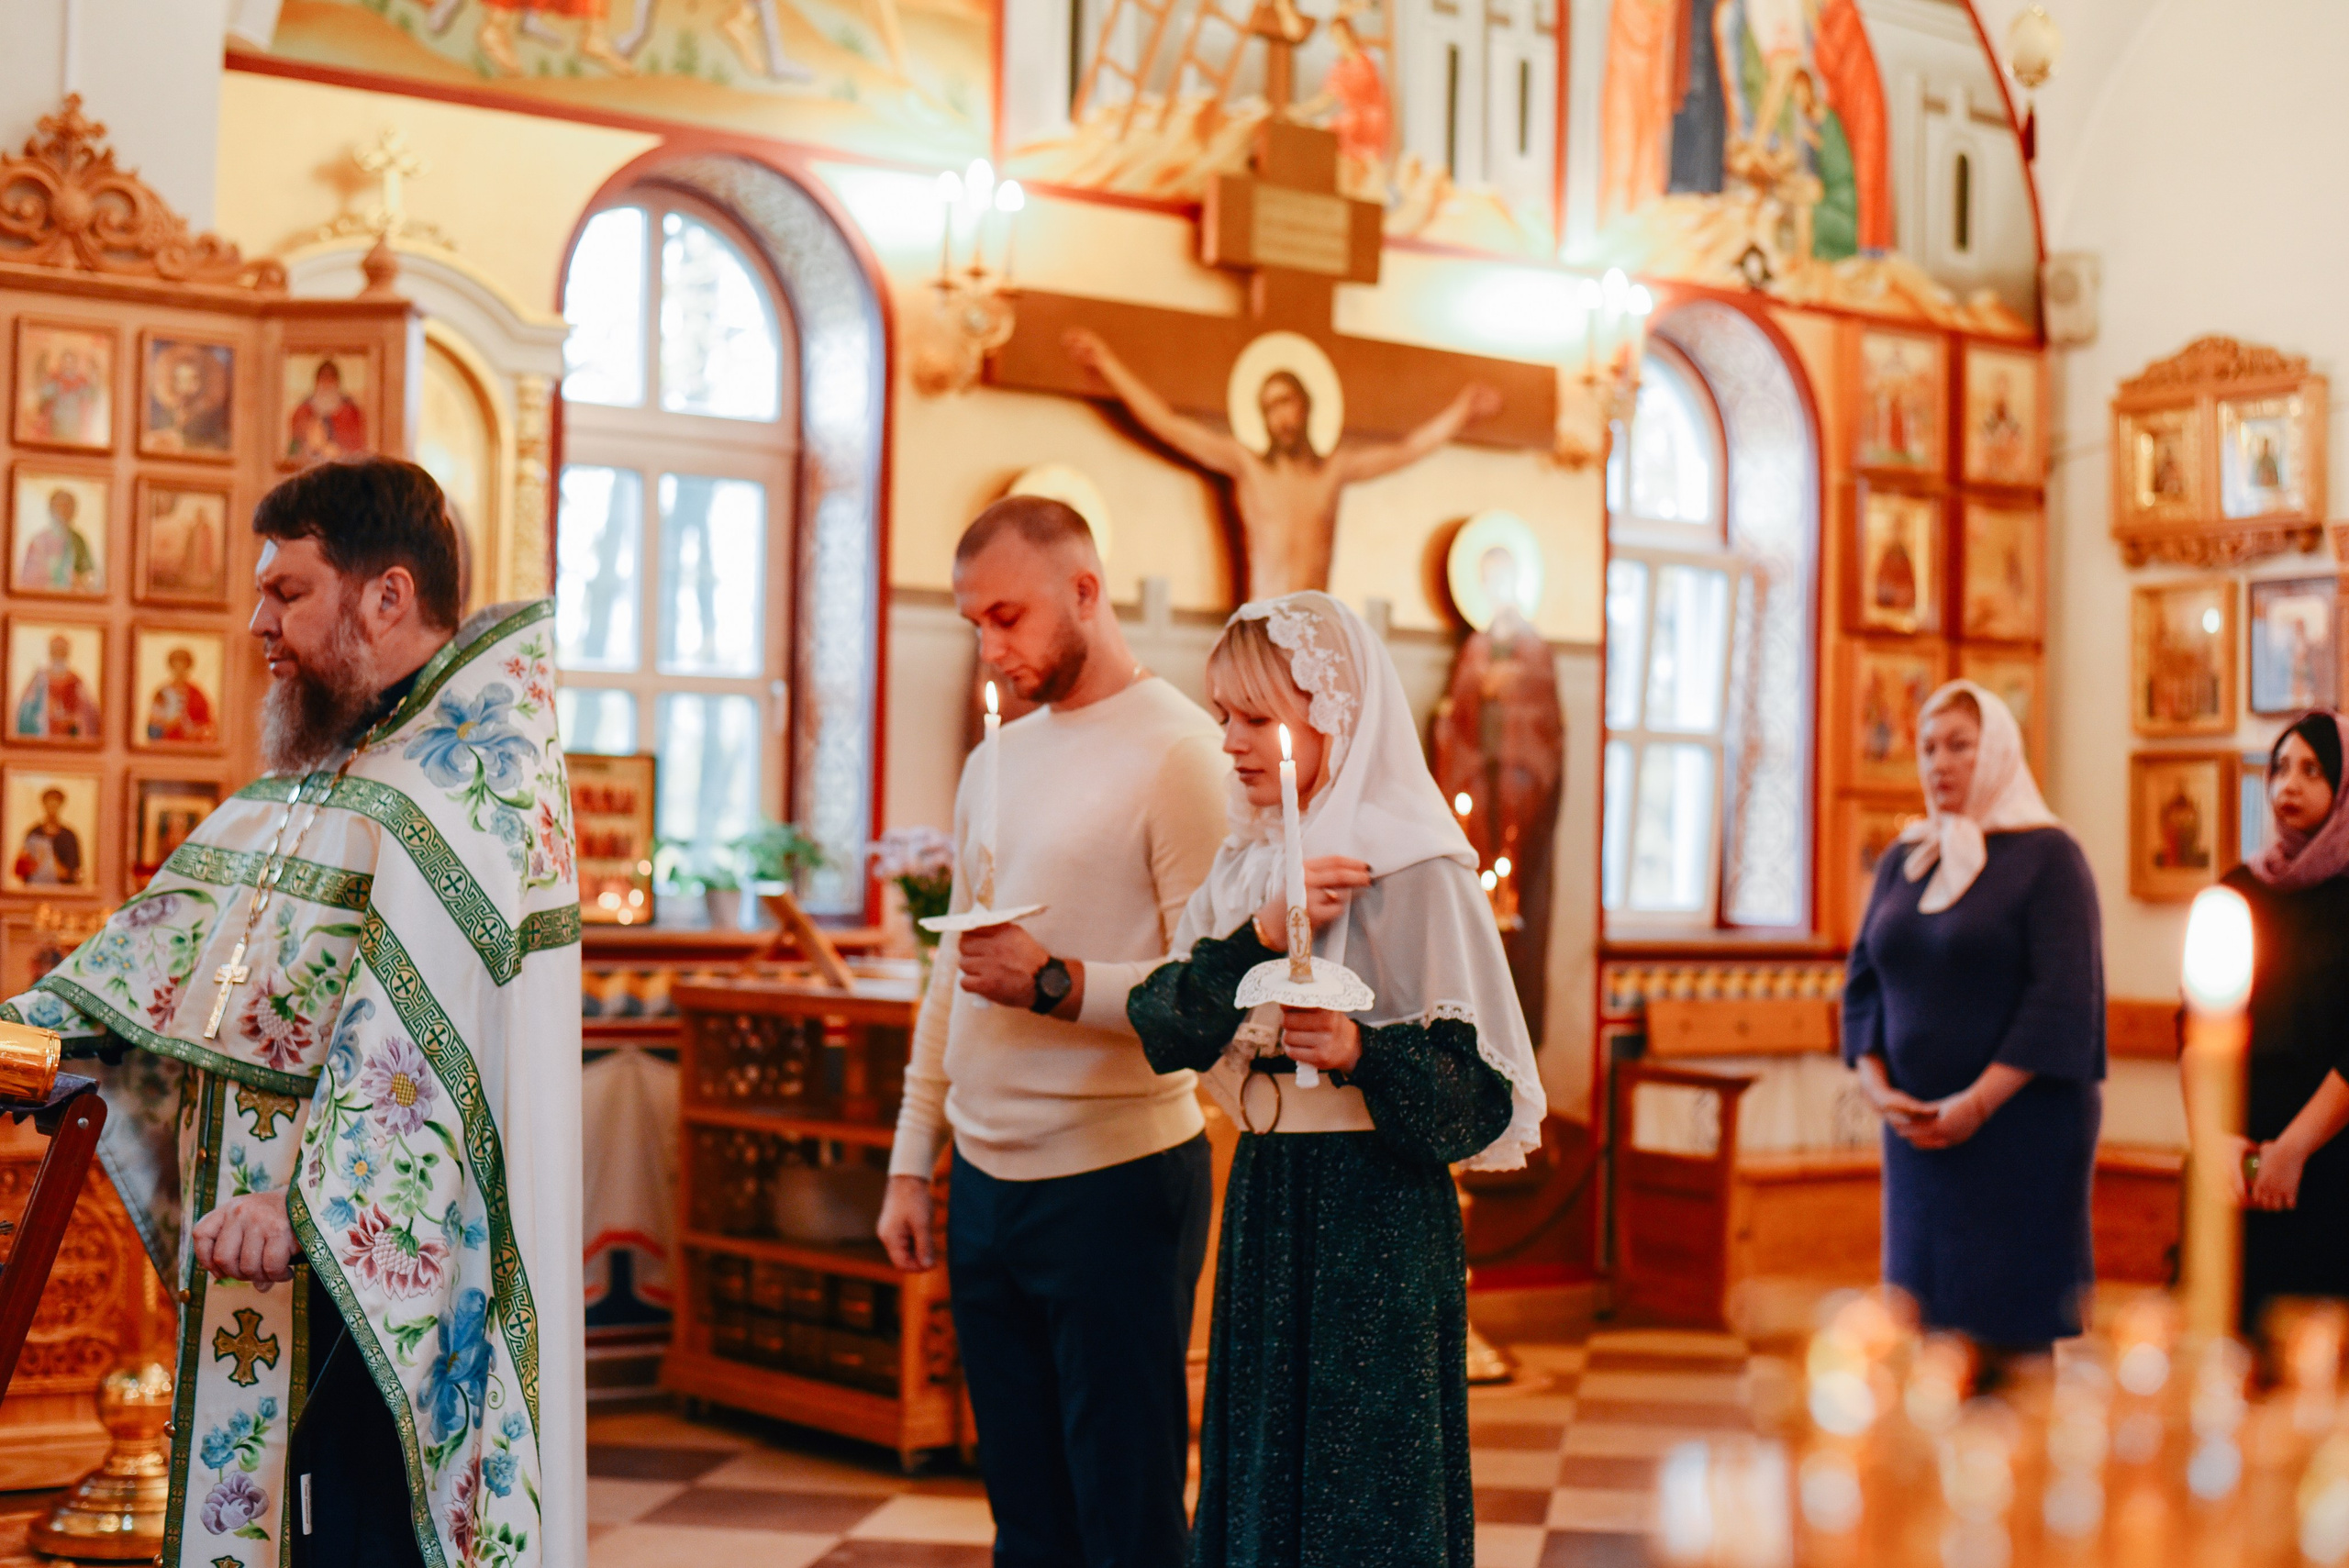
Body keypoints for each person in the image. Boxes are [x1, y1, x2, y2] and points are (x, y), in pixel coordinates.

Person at [3, 457, 584, 1568]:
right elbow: (158, 959)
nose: (257, 621)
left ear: (387, 595)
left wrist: (298, 1200)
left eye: (287, 591)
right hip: (264, 1269)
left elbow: (424, 1053)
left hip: (368, 1281)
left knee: (359, 1536)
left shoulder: (465, 791)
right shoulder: (329, 777)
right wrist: (19, 1028)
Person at [1121, 591, 1548, 1568]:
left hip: (1376, 1213)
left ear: (1336, 714)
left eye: (1255, 718)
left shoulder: (1417, 865)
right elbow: (1164, 1024)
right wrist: (1261, 934)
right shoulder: (1246, 864)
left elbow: (1478, 1096)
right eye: (1223, 714)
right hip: (1268, 1192)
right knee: (1262, 1467)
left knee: (1364, 1488)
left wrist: (1362, 1051)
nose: (1230, 741)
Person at [876, 495, 1230, 1568]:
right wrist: (911, 1160)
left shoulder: (1181, 753)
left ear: (1085, 591)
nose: (990, 648)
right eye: (973, 624)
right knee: (1026, 1520)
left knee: (1125, 1516)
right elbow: (952, 972)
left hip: (1116, 1178)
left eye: (1007, 616)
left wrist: (1057, 983)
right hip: (986, 1181)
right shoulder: (995, 759)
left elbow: (1208, 995)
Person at [1842, 681, 2104, 1354]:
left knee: (2007, 1338)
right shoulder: (1906, 858)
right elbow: (1864, 979)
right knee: (1921, 1328)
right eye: (1928, 748)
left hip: (2018, 1131)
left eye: (1960, 746)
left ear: (1998, 753)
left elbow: (2061, 1000)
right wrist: (1877, 1088)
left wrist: (1976, 1104)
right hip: (1917, 1133)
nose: (1940, 763)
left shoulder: (2050, 856)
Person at [1062, 327, 1500, 597]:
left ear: (1306, 407)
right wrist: (1107, 364)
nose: (1281, 416)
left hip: (1317, 627)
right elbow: (1169, 425)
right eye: (1270, 407)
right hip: (1262, 622)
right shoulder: (1246, 466)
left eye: (1287, 402)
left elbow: (1406, 450)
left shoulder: (1333, 471)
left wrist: (1461, 412)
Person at [2211, 712, 2349, 1332]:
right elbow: (2196, 1028)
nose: (2289, 784)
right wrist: (2212, 1137)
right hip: (2236, 1157)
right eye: (2281, 768)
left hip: (2329, 1163)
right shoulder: (2237, 890)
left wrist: (2293, 1149)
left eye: (2312, 770)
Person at [14, 633, 100, 739]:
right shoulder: (39, 679)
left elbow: (88, 712)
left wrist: (75, 719)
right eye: (55, 650)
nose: (58, 653)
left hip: (68, 735)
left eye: (62, 650)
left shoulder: (75, 680)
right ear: (51, 652)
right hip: (44, 733)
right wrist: (44, 707)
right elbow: (26, 709)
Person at [17, 487, 100, 594]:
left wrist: (81, 580)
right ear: (51, 510)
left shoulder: (78, 540)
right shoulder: (39, 541)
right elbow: (28, 580)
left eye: (69, 508)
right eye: (60, 507)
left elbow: (88, 571)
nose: (64, 512)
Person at [285, 360, 368, 463]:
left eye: (331, 378)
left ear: (337, 382)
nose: (327, 383)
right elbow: (294, 450)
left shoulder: (350, 412)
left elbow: (357, 450)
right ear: (316, 382)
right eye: (323, 378)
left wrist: (337, 451)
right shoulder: (302, 411)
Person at [15, 786, 82, 886]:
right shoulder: (33, 833)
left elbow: (72, 873)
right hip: (34, 889)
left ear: (60, 805)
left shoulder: (69, 836)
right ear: (44, 804)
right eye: (49, 802)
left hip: (61, 891)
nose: (52, 806)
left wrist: (49, 856)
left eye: (56, 803)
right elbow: (21, 870)